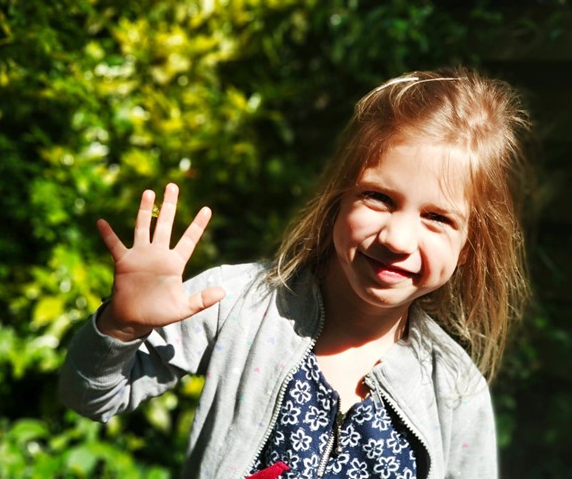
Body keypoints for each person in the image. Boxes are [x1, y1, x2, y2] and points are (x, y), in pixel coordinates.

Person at [59, 67, 532, 479]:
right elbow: (90, 398)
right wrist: (121, 327)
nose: (398, 239)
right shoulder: (236, 305)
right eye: (379, 198)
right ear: (338, 199)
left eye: (437, 218)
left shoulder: (455, 389)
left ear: (469, 248)